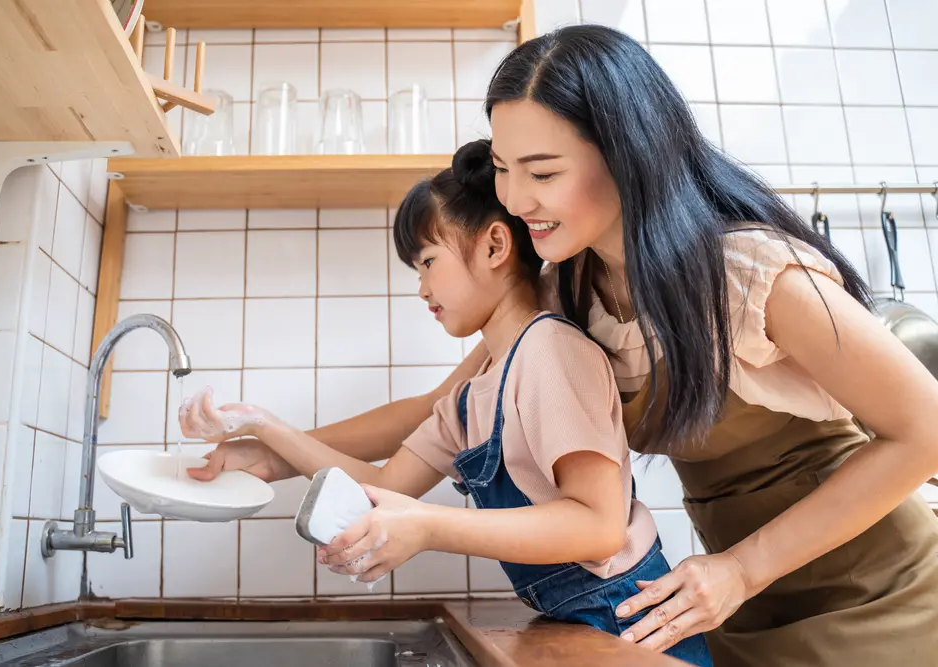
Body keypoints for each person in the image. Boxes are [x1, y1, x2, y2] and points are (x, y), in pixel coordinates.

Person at [184, 25, 938, 667]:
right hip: (729, 600)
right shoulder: (568, 289)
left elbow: (925, 430)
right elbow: (435, 409)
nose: (514, 201)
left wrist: (743, 567)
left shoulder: (750, 274)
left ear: (629, 154)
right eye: (506, 170)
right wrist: (276, 453)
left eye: (542, 172)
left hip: (879, 590)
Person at [180, 140, 712, 666]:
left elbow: (597, 528)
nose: (421, 288)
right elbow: (383, 490)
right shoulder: (467, 400)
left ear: (495, 246)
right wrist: (268, 431)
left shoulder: (551, 353)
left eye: (428, 262)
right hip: (577, 620)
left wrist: (428, 526)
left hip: (633, 619)